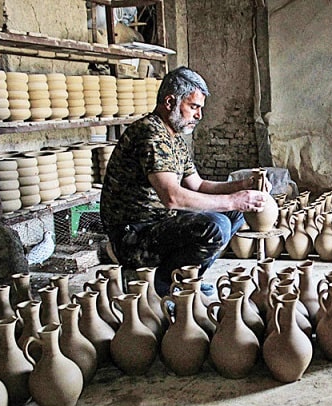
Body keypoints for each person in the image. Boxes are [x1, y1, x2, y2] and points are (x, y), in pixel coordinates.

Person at [100, 66, 270, 296]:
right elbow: (172, 197)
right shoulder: (150, 134)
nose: (199, 115)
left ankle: (187, 278)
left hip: (158, 223)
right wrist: (232, 200)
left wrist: (242, 187)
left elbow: (198, 185)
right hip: (133, 234)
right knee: (216, 226)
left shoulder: (174, 137)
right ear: (170, 102)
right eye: (194, 107)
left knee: (236, 213)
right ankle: (160, 286)